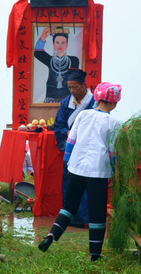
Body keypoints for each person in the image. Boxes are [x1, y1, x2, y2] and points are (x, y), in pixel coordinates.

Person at [38, 82, 123, 261]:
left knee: (69, 207)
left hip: (76, 167)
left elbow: (71, 141)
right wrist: (115, 171)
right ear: (114, 103)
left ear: (98, 98)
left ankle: (51, 236)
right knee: (97, 213)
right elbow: (113, 152)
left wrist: (68, 163)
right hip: (98, 171)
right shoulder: (114, 123)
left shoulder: (83, 115)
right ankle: (95, 255)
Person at [53, 69, 95, 226]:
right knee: (70, 182)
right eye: (69, 87)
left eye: (75, 87)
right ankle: (72, 218)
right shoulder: (66, 103)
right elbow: (59, 124)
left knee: (87, 183)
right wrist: (67, 133)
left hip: (89, 149)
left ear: (84, 85)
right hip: (72, 148)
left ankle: (87, 218)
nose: (72, 90)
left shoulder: (94, 102)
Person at [35, 28, 80, 103]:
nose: (60, 45)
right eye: (57, 42)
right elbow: (37, 52)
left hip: (68, 99)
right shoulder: (50, 60)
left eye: (63, 42)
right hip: (51, 98)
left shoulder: (74, 60)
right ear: (53, 44)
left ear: (67, 44)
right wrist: (43, 37)